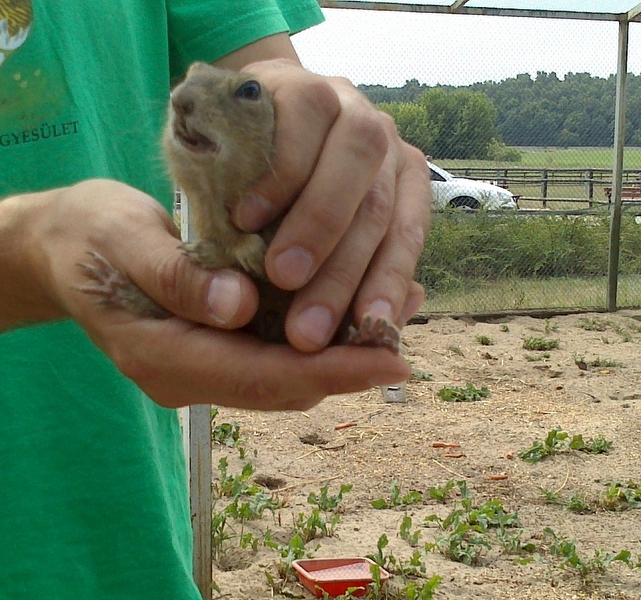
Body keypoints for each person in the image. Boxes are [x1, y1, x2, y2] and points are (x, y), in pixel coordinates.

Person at [0, 1, 430, 598]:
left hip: (122, 540)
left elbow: (277, 84)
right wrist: (24, 253)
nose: (179, 100)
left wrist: (344, 150)